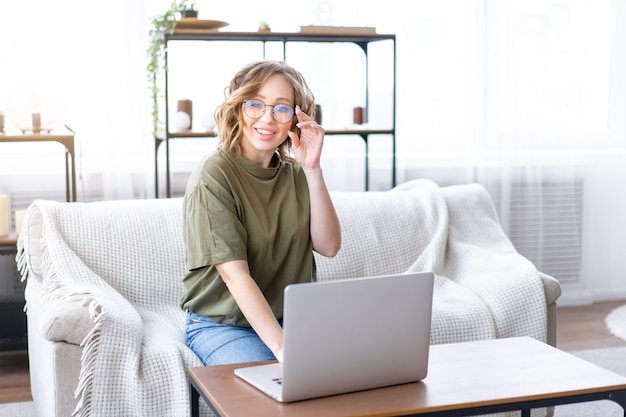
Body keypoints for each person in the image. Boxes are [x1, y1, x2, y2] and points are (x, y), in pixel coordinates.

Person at [180, 60, 342, 366]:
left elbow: (329, 245)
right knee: (272, 400)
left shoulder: (296, 174)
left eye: (281, 108)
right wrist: (283, 350)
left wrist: (313, 169)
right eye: (255, 104)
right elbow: (235, 275)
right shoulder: (214, 175)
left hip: (291, 320)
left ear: (296, 118)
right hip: (224, 324)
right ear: (239, 108)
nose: (267, 118)